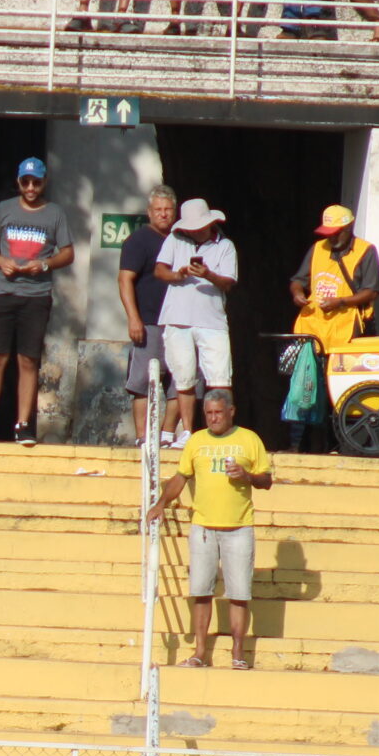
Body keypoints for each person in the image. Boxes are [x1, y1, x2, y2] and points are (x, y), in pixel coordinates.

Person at [142, 388, 273, 669]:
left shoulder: (250, 439)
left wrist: (246, 475)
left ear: (231, 412)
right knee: (201, 591)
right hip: (202, 527)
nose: (213, 418)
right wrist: (161, 504)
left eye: (218, 413)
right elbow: (181, 477)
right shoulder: (197, 441)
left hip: (239, 527)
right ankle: (200, 652)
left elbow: (266, 480)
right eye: (209, 413)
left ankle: (238, 653)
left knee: (239, 594)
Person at [0, 156, 74, 445]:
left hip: (36, 296)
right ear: (18, 182)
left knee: (28, 360)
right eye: (26, 182)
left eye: (36, 182)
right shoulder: (4, 209)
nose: (31, 187)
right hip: (4, 293)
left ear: (44, 182)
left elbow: (68, 253)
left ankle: (24, 424)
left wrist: (45, 265)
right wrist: (0, 260)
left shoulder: (55, 213)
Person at [151, 199, 238, 442]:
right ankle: (188, 431)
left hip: (212, 320)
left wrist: (208, 274)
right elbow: (159, 271)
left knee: (220, 379)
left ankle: (223, 432)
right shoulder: (176, 239)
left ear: (211, 222)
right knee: (183, 379)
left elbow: (229, 283)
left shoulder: (226, 245)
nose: (195, 230)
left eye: (200, 225)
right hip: (177, 317)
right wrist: (178, 274)